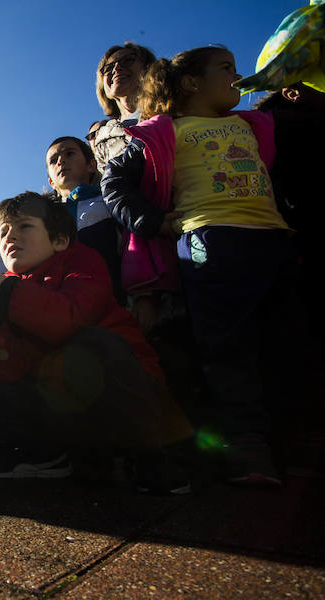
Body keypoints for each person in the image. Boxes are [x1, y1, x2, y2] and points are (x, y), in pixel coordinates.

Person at [102, 46, 306, 486]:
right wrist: (153, 222)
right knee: (227, 346)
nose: (237, 76)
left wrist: (297, 86)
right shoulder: (164, 131)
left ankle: (291, 439)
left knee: (287, 336)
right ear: (192, 83)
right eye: (227, 69)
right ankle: (247, 447)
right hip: (210, 242)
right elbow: (115, 181)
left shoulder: (254, 124)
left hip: (273, 239)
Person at [0, 193, 190, 494]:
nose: (9, 236)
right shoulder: (7, 285)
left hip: (129, 401)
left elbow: (64, 321)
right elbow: (9, 368)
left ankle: (153, 455)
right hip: (68, 408)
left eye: (24, 226)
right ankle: (45, 455)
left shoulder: (81, 261)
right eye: (2, 231)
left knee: (92, 343)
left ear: (60, 240)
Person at [46, 136, 124, 305]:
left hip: (115, 301)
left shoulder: (109, 200)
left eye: (69, 154)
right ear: (51, 182)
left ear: (91, 165)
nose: (61, 161)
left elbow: (130, 247)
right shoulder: (44, 220)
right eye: (53, 160)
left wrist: (143, 295)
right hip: (63, 309)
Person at [93, 43, 156, 171]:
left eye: (127, 61)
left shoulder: (173, 112)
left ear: (148, 68)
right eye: (108, 68)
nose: (116, 68)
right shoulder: (103, 141)